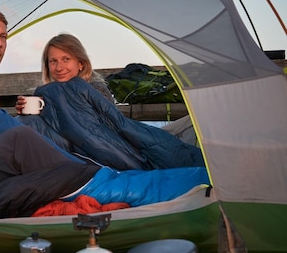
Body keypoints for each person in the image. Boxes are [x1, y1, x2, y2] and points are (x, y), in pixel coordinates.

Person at [0, 9, 208, 219]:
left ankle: (88, 176)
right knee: (18, 138)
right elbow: (4, 131)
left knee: (21, 143)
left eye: (3, 36)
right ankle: (96, 180)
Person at [15, 33, 205, 170]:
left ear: (80, 63)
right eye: (53, 61)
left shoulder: (95, 90)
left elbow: (104, 131)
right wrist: (28, 111)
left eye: (66, 59)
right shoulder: (41, 96)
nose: (59, 67)